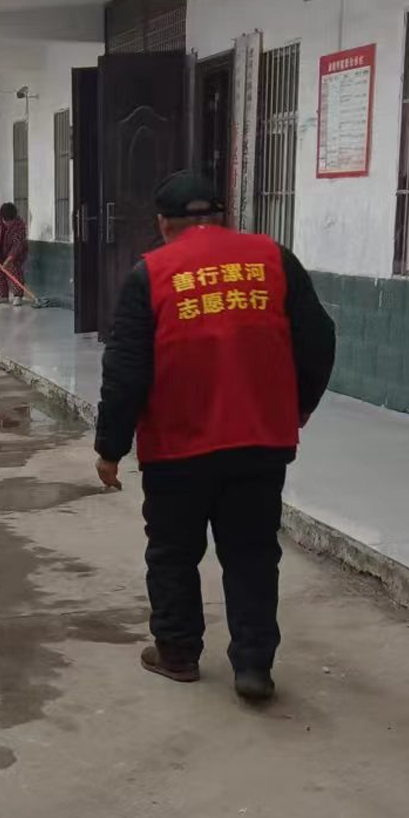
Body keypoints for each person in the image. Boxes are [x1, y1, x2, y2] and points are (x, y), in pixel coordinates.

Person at [94, 172, 335, 703]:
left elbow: (126, 371)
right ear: (223, 216)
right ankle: (254, 667)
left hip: (177, 448)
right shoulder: (273, 259)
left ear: (163, 223)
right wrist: (300, 405)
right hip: (260, 442)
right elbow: (319, 337)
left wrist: (110, 448)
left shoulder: (150, 274)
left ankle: (177, 654)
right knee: (253, 554)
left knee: (173, 552)